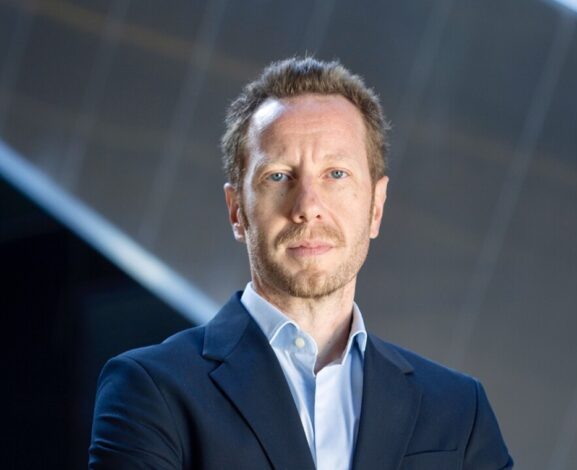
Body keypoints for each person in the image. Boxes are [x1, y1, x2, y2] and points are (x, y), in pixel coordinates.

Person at [89, 57, 513, 469]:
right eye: (278, 176)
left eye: (336, 174)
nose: (308, 207)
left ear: (376, 207)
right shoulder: (151, 391)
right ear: (237, 211)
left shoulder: (459, 411)